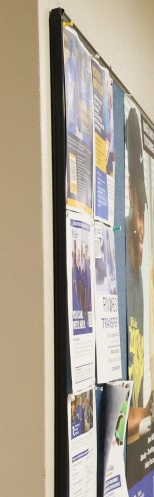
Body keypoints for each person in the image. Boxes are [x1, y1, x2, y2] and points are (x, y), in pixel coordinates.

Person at [125, 108, 150, 442]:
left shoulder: (138, 280)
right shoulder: (123, 284)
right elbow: (127, 425)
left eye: (143, 211)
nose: (142, 228)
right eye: (135, 208)